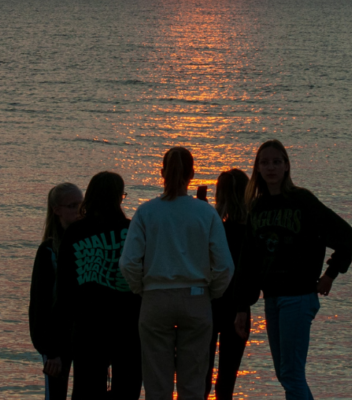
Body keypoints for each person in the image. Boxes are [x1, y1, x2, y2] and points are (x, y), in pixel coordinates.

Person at [233, 139, 352, 400]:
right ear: (257, 169)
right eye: (264, 162)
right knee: (284, 373)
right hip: (272, 298)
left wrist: (330, 275)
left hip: (298, 297)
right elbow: (248, 261)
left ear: (287, 166)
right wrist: (242, 306)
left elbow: (346, 237)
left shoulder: (302, 201)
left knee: (291, 374)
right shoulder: (256, 207)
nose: (271, 167)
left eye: (277, 161)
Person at [119, 147, 235, 400]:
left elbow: (128, 263)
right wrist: (210, 293)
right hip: (196, 297)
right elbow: (225, 266)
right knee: (193, 385)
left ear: (162, 173)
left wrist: (142, 288)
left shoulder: (146, 212)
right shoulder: (206, 213)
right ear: (192, 174)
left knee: (156, 384)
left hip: (155, 298)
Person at [56, 171, 142, 400]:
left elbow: (64, 286)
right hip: (128, 323)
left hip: (87, 324)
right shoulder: (133, 231)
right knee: (127, 388)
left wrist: (60, 337)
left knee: (86, 389)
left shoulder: (75, 232)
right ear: (118, 198)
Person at [29, 182, 83, 400]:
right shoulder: (48, 251)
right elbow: (40, 304)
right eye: (73, 206)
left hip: (83, 337)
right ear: (57, 210)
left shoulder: (87, 245)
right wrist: (50, 351)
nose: (79, 211)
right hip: (57, 341)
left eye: (82, 205)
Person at [205, 169, 251, 400]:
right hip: (239, 306)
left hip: (209, 305)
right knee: (227, 382)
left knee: (201, 377)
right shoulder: (251, 232)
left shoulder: (212, 230)